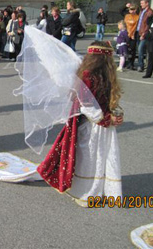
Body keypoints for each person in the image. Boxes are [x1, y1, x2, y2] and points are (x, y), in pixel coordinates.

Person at [37, 40, 123, 207]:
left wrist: (115, 113)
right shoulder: (88, 75)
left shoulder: (100, 74)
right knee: (92, 158)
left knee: (104, 156)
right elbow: (87, 104)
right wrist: (106, 118)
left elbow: (104, 100)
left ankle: (103, 190)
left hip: (102, 124)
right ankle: (87, 192)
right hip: (92, 124)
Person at [136, 0, 153, 72]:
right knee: (139, 49)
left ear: (147, 3)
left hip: (144, 33)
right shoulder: (141, 11)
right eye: (141, 3)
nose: (141, 5)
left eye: (142, 3)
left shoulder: (149, 12)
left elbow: (147, 24)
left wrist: (144, 33)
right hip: (138, 31)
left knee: (140, 49)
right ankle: (142, 64)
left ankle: (141, 65)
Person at [124, 5, 139, 70]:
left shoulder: (137, 17)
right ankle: (125, 62)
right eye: (131, 9)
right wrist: (126, 6)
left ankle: (131, 63)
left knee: (132, 49)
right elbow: (121, 11)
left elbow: (135, 26)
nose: (132, 11)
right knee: (125, 48)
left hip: (133, 34)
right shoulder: (127, 16)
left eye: (133, 9)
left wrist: (131, 34)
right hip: (126, 33)